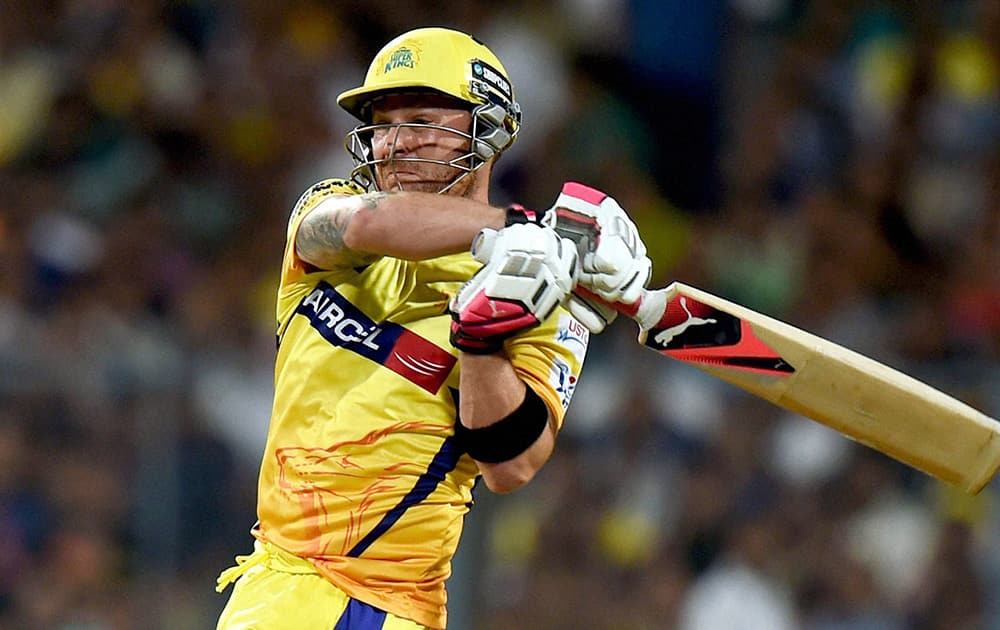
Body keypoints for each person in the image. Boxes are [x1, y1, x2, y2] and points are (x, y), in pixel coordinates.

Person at [214, 26, 651, 629]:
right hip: (278, 586)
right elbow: (369, 225)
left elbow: (511, 464)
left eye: (421, 121)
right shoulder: (328, 209)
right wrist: (523, 227)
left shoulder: (544, 288)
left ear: (489, 132)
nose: (394, 144)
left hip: (396, 606)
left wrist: (481, 343)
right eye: (382, 127)